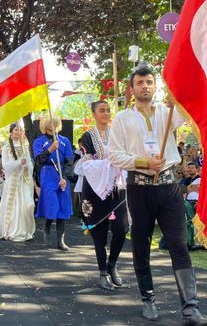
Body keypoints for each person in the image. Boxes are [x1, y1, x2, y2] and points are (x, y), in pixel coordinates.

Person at [108, 66, 207, 324]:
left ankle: (191, 309)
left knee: (178, 243)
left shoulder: (169, 114)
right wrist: (145, 163)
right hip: (139, 188)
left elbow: (194, 105)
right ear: (132, 89)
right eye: (140, 82)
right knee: (142, 243)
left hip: (169, 188)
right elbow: (114, 155)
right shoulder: (122, 119)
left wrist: (178, 97)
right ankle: (148, 299)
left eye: (149, 82)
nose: (145, 86)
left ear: (155, 87)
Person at [76, 100, 128, 290]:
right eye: (101, 110)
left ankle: (112, 264)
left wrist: (118, 162)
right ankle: (102, 272)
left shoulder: (119, 134)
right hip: (94, 189)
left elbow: (126, 155)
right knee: (98, 232)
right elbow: (87, 164)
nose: (106, 113)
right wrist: (110, 164)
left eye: (108, 110)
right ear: (94, 114)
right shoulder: (87, 137)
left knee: (122, 229)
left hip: (117, 188)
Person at [33, 114, 74, 251]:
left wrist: (65, 178)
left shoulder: (65, 141)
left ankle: (60, 240)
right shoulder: (39, 142)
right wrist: (50, 149)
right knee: (52, 205)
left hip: (62, 175)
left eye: (55, 122)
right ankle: (47, 227)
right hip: (48, 174)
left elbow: (69, 161)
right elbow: (38, 161)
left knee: (62, 207)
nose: (53, 124)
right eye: (50, 122)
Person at [0, 122, 35, 242]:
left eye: (20, 129)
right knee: (12, 207)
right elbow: (6, 166)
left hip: (22, 181)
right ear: (11, 133)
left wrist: (27, 166)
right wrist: (18, 163)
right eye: (16, 130)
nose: (18, 132)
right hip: (12, 181)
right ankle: (11, 230)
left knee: (26, 205)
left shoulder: (24, 147)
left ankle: (23, 230)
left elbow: (30, 164)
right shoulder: (6, 148)